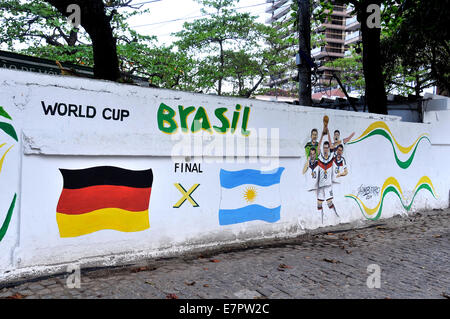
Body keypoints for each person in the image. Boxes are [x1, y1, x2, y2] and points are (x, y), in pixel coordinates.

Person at [317, 140, 339, 223]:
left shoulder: (331, 157)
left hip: (328, 185)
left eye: (327, 148)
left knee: (329, 202)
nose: (325, 149)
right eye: (324, 148)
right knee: (319, 204)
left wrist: (328, 131)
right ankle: (321, 221)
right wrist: (322, 134)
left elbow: (333, 147)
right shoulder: (320, 158)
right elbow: (318, 148)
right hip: (320, 185)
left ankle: (336, 217)